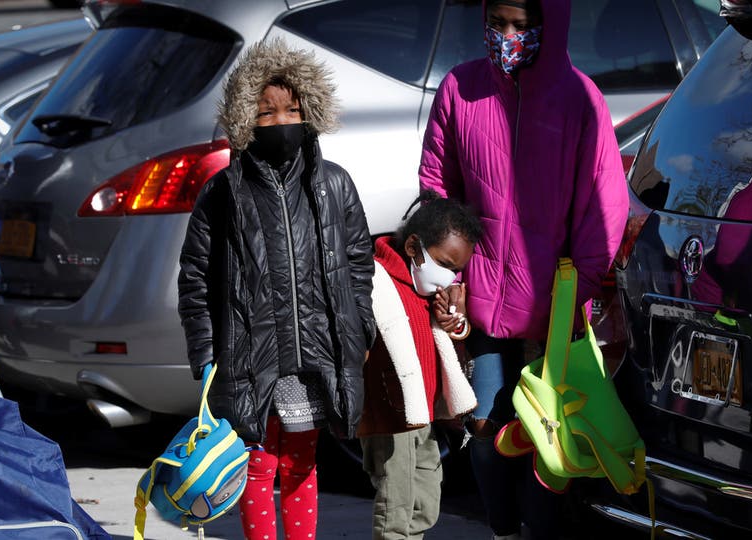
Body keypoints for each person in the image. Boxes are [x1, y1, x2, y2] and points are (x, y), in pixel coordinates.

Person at [418, 0, 629, 538]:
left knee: (547, 446)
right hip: (483, 304)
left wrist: (575, 290)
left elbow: (604, 208)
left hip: (553, 312)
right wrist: (452, 278)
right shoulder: (459, 89)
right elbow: (438, 191)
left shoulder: (580, 99)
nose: (507, 36)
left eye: (521, 25)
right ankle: (503, 531)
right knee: (486, 436)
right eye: (497, 23)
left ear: (547, 23)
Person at [177, 39, 375, 540]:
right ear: (245, 117)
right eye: (266, 112)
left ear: (311, 112)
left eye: (292, 110)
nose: (280, 121)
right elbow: (195, 276)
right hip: (250, 355)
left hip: (315, 354)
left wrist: (361, 328)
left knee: (301, 463)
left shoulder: (334, 184)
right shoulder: (223, 192)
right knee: (257, 463)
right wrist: (205, 353)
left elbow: (357, 261)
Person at [358, 190, 482, 540]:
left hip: (423, 415)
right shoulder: (374, 280)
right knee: (396, 504)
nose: (449, 277)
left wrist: (454, 321)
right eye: (444, 264)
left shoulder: (430, 292)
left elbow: (452, 339)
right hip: (389, 417)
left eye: (456, 270)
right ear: (413, 247)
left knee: (426, 498)